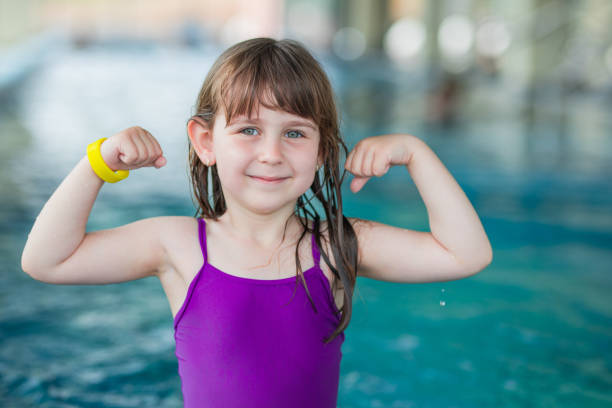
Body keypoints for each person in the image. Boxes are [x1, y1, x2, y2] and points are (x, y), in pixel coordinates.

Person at [20, 37, 493, 407]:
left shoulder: (337, 247)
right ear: (205, 141)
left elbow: (466, 254)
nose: (271, 153)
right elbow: (47, 261)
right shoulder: (176, 245)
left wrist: (416, 154)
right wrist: (99, 165)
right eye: (248, 129)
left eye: (294, 133)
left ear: (322, 150)